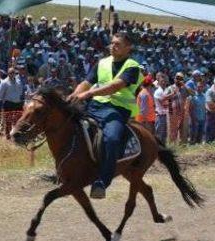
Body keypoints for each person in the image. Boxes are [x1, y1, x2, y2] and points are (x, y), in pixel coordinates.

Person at [68, 32, 143, 199]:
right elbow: (86, 83)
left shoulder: (133, 66)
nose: (112, 46)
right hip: (94, 106)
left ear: (128, 48)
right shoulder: (102, 63)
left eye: (117, 44)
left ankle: (102, 181)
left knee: (112, 139)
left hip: (117, 109)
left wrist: (87, 94)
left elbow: (115, 86)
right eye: (112, 43)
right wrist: (74, 95)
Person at [0, 67, 24, 138]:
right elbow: (0, 95)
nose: (12, 74)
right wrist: (6, 99)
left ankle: (16, 133)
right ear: (8, 73)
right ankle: (7, 134)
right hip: (8, 103)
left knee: (18, 119)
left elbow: (21, 91)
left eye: (14, 73)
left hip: (18, 102)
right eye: (11, 73)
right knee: (8, 120)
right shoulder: (4, 82)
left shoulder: (18, 81)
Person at [153, 74, 170, 145]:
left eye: (165, 81)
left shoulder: (166, 90)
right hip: (160, 116)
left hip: (165, 115)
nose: (164, 82)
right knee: (159, 134)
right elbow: (164, 104)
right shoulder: (158, 91)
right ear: (159, 82)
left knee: (164, 135)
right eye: (162, 81)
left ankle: (163, 150)